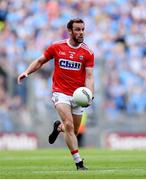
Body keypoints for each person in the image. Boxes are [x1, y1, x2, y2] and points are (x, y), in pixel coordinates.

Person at [17, 18, 94, 170]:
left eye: (82, 29)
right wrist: (26, 72)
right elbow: (40, 61)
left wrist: (90, 94)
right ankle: (79, 163)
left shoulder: (88, 53)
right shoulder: (57, 47)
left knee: (73, 130)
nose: (81, 32)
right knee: (70, 126)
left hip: (78, 95)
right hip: (60, 93)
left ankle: (58, 127)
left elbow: (90, 76)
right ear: (70, 31)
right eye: (77, 29)